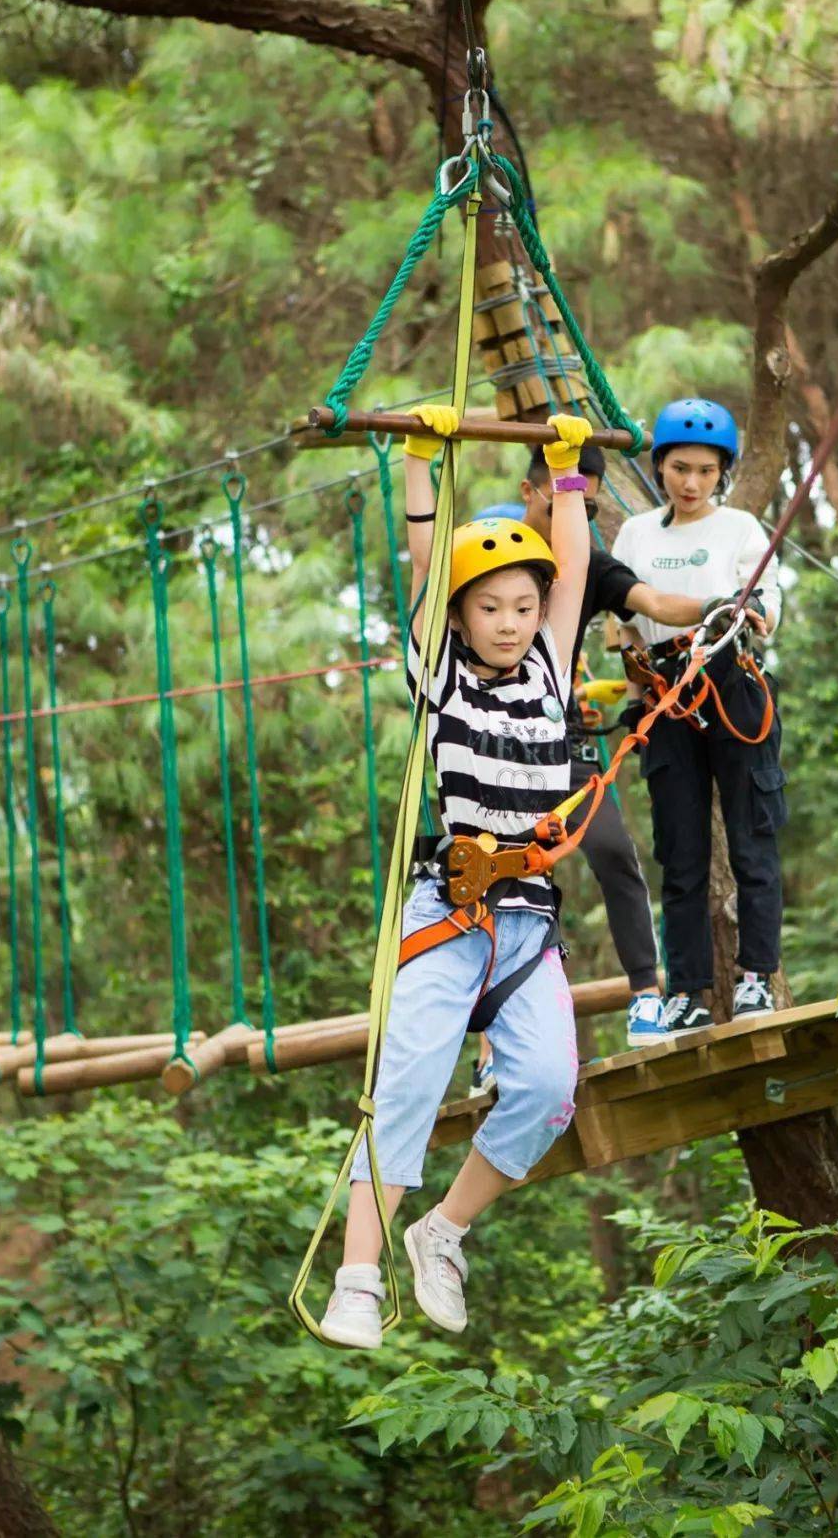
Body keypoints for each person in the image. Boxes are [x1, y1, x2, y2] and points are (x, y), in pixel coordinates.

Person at [321, 405, 592, 1351]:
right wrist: (419, 470)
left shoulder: (553, 671)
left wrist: (567, 475)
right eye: (491, 608)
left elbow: (577, 574)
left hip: (529, 922)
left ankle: (445, 1228)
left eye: (522, 608)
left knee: (552, 1089)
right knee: (405, 1087)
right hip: (452, 908)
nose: (512, 624)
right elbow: (426, 567)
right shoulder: (441, 669)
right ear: (463, 615)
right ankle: (358, 1275)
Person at [470, 440, 709, 1063]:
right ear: (529, 494)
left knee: (611, 851)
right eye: (560, 506)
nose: (572, 523)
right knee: (498, 878)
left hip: (562, 740)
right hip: (489, 745)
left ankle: (646, 997)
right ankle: (494, 1046)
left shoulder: (589, 568)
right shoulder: (493, 556)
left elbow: (655, 604)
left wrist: (719, 605)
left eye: (587, 509)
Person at [612, 398, 788, 1033]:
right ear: (659, 467)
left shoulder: (740, 529)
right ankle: (687, 989)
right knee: (680, 855)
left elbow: (766, 602)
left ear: (724, 473)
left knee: (752, 843)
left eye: (707, 472)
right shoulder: (635, 534)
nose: (691, 484)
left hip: (731, 681)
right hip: (666, 691)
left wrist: (758, 612)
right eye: (680, 468)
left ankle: (754, 981)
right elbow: (625, 628)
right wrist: (636, 707)